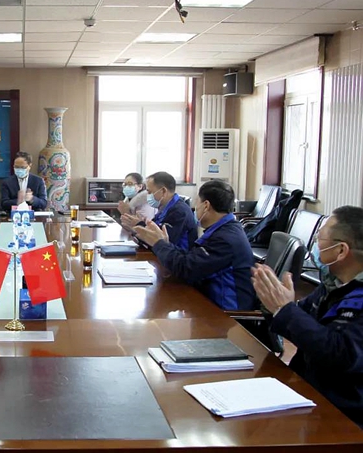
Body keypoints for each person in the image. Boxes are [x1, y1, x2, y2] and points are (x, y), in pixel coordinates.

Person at [251, 206, 363, 427]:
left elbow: (340, 354)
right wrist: (274, 307)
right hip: (308, 390)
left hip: (342, 413)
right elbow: (301, 318)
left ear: (341, 250)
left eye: (320, 238)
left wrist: (285, 309)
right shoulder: (333, 284)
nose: (316, 245)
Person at [134, 180, 257, 311]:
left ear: (206, 205)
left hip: (226, 316)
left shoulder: (225, 240)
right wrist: (166, 244)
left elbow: (186, 269)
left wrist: (159, 244)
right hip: (208, 304)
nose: (195, 208)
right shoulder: (222, 230)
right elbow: (192, 258)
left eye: (197, 202)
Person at [122, 171, 197, 250]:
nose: (148, 195)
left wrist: (139, 224)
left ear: (163, 191)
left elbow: (161, 242)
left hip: (179, 255)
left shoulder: (179, 211)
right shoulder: (163, 208)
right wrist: (134, 227)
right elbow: (154, 228)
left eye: (150, 192)